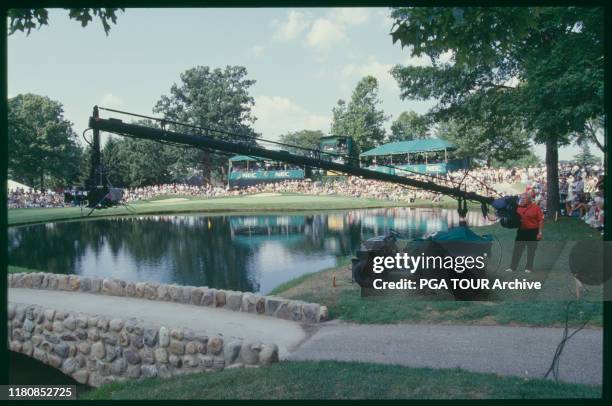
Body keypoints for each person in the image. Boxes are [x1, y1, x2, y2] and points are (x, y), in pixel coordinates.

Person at [506, 192, 544, 273]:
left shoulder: (536, 207)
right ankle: (512, 267)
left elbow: (540, 221)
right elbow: (511, 217)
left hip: (533, 232)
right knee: (517, 250)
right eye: (521, 198)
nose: (522, 200)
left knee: (531, 251)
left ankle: (528, 268)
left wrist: (540, 233)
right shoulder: (518, 207)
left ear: (529, 199)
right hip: (521, 232)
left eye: (524, 198)